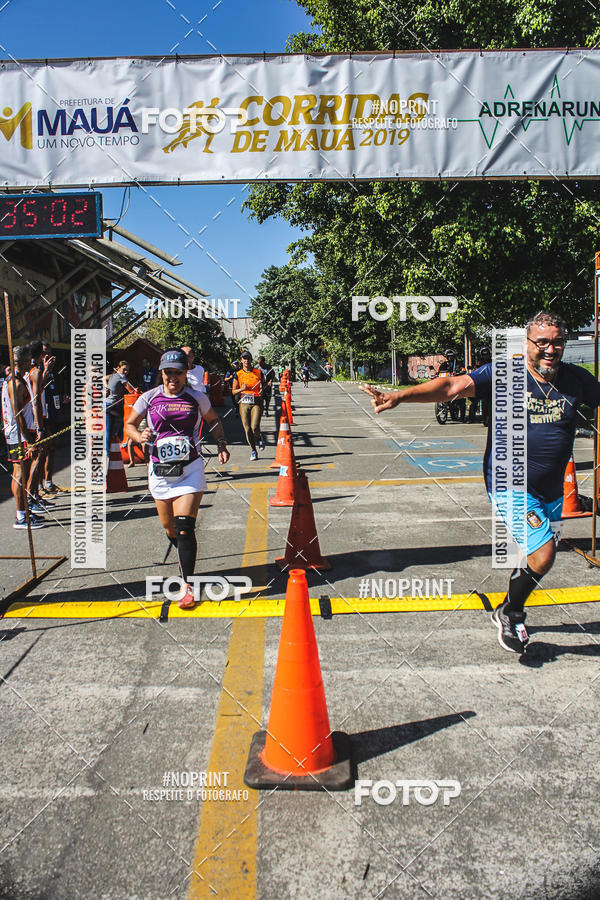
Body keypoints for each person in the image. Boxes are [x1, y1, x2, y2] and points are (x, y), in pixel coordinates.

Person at [361, 311, 600, 655]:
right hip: (509, 482)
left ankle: (508, 606)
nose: (551, 350)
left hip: (550, 489)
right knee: (545, 552)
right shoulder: (505, 374)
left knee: (537, 556)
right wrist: (401, 396)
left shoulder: (577, 380)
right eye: (542, 342)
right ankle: (511, 613)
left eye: (558, 342)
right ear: (527, 344)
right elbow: (451, 386)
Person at [124, 348, 230, 609]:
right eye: (168, 373)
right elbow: (129, 424)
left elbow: (214, 420)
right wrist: (139, 437)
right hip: (160, 471)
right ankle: (185, 558)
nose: (173, 378)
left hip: (190, 468)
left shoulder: (196, 398)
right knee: (170, 528)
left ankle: (188, 585)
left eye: (178, 373)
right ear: (161, 373)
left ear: (186, 373)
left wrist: (221, 444)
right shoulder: (148, 398)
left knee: (184, 527)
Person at [1, 345, 46, 528]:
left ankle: (25, 511)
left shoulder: (16, 380)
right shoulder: (16, 383)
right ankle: (21, 516)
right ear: (23, 361)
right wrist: (28, 439)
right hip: (17, 434)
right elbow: (17, 414)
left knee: (22, 470)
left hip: (20, 432)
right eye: (29, 359)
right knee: (19, 473)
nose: (32, 362)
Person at [25, 340, 55, 514]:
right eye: (44, 352)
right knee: (36, 458)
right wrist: (40, 427)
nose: (47, 356)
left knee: (42, 455)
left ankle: (35, 495)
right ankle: (30, 498)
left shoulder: (39, 370)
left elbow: (39, 391)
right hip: (34, 421)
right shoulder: (34, 370)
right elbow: (35, 398)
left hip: (41, 418)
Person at [232, 351, 265, 460]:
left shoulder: (258, 372)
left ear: (251, 360)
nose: (246, 360)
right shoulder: (238, 374)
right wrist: (241, 389)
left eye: (248, 358)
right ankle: (253, 450)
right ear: (241, 360)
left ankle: (259, 436)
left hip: (256, 401)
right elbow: (233, 391)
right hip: (244, 402)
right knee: (247, 429)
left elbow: (263, 386)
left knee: (254, 427)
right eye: (244, 358)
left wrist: (261, 390)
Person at [40, 341, 62, 493]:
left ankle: (48, 481)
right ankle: (38, 485)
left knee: (52, 449)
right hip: (43, 417)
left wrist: (61, 398)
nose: (48, 356)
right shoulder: (37, 371)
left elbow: (52, 392)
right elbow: (37, 389)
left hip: (54, 416)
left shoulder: (52, 372)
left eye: (49, 352)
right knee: (42, 452)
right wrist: (46, 370)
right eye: (44, 353)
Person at [106, 361, 135, 455]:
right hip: (111, 405)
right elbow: (131, 390)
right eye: (124, 369)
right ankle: (119, 444)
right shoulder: (121, 377)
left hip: (106, 404)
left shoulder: (111, 376)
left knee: (108, 429)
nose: (126, 372)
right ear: (118, 367)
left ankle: (108, 452)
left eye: (127, 370)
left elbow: (102, 378)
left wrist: (105, 386)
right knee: (125, 421)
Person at [468, 347, 492, 424]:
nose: (486, 356)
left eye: (487, 354)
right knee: (474, 401)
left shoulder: (492, 362)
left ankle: (487, 419)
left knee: (488, 402)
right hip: (480, 384)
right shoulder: (479, 363)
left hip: (489, 385)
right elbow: (474, 372)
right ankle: (471, 418)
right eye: (484, 355)